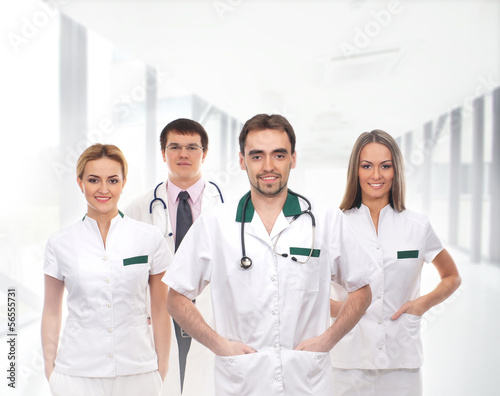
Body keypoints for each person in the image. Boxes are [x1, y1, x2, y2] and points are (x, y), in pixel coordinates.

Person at [164, 114, 379, 396]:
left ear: (293, 158)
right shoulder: (215, 224)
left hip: (306, 381)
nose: (268, 166)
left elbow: (362, 289)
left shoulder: (325, 220)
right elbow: (176, 298)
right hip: (242, 381)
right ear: (242, 161)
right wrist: (218, 344)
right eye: (256, 156)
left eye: (278, 155)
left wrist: (329, 339)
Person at [330, 130, 462, 396]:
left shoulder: (417, 225)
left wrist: (420, 305)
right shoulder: (335, 224)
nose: (376, 175)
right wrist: (342, 309)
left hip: (402, 361)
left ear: (396, 170)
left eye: (385, 166)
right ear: (355, 171)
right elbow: (312, 286)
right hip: (347, 361)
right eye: (367, 166)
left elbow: (451, 276)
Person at [41, 144, 171, 396]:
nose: (103, 189)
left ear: (123, 183)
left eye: (112, 180)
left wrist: (161, 368)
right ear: (80, 183)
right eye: (93, 180)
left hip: (138, 373)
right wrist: (50, 370)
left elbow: (160, 308)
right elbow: (51, 310)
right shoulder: (60, 242)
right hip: (76, 375)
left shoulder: (149, 238)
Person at [125, 118, 224, 394]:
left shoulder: (229, 210)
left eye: (192, 147)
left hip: (211, 317)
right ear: (163, 153)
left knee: (203, 383)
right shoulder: (138, 208)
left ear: (204, 153)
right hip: (156, 317)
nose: (183, 154)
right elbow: (124, 269)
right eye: (175, 147)